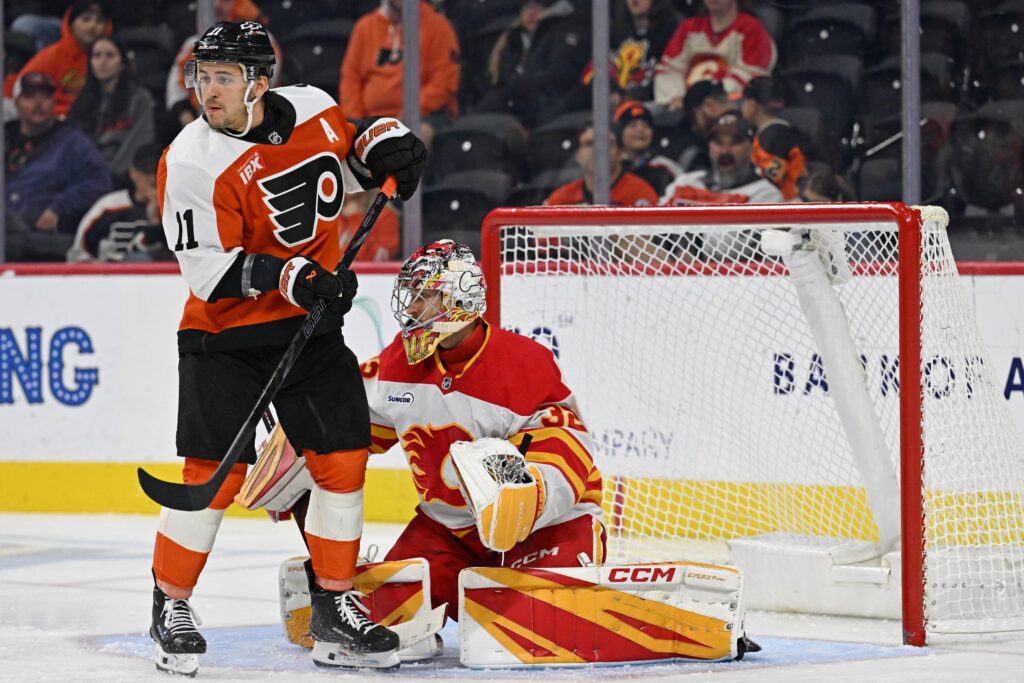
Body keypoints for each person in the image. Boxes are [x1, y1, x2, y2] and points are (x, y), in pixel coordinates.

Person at [148, 20, 426, 675]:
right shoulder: (190, 161)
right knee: (214, 478)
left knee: (343, 460)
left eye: (224, 78)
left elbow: (346, 154)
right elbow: (207, 272)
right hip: (224, 337)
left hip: (310, 330)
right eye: (202, 77)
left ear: (260, 82)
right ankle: (170, 603)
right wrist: (294, 276)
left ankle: (333, 607)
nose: (208, 92)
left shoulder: (312, 108)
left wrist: (385, 147)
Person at [274, 240, 605, 626]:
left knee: (536, 625)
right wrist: (303, 440)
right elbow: (348, 430)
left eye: (424, 295)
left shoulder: (522, 363)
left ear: (459, 297)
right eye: (411, 295)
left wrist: (529, 500)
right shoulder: (398, 363)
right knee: (372, 624)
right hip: (447, 534)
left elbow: (567, 442)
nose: (411, 308)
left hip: (545, 529)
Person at [5, 71, 112, 260]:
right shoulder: (5, 138)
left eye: (45, 97)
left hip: (43, 240)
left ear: (54, 101)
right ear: (16, 103)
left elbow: (99, 182)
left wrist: (59, 208)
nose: (38, 104)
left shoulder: (73, 142)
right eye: (30, 97)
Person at [662, 110, 783, 259]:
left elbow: (732, 250)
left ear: (751, 148)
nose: (725, 151)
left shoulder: (766, 194)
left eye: (735, 143)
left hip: (726, 272)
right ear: (709, 147)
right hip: (668, 268)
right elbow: (651, 232)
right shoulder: (685, 182)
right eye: (718, 143)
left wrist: (688, 240)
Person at [340, 0, 460, 147]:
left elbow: (442, 83)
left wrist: (406, 115)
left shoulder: (438, 26)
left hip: (423, 116)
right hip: (370, 120)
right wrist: (357, 124)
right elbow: (350, 79)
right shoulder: (365, 27)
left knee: (419, 136)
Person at [164, 0, 283, 131]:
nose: (217, 5)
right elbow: (180, 87)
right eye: (212, 0)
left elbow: (262, 85)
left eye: (225, 0)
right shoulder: (194, 45)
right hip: (203, 125)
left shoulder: (259, 40)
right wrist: (185, 115)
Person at [654, 0, 775, 110]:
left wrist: (714, 98)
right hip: (686, 104)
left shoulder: (752, 29)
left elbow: (752, 75)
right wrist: (677, 96)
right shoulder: (689, 27)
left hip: (733, 105)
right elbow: (668, 68)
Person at [68, 36, 155, 186]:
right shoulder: (81, 102)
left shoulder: (140, 98)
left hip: (123, 179)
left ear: (122, 63)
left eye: (110, 55)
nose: (102, 61)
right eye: (97, 56)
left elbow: (139, 142)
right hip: (85, 179)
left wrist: (108, 177)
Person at [67, 143, 168, 262]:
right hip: (109, 271)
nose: (153, 178)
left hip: (158, 272)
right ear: (133, 173)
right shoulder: (110, 206)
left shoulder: (175, 208)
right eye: (147, 172)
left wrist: (155, 221)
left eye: (158, 172)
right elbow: (76, 254)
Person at [8, 1, 111, 117]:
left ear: (107, 27)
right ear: (70, 24)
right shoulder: (51, 56)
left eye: (99, 21)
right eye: (85, 19)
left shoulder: (112, 58)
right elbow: (21, 89)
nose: (92, 26)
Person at [545, 122, 659, 206]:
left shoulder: (640, 193)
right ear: (577, 155)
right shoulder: (561, 200)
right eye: (589, 143)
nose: (598, 150)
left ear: (621, 153)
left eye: (607, 143)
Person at [741, 76, 806, 200]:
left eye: (743, 101)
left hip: (787, 201)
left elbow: (772, 180)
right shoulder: (780, 131)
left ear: (752, 105)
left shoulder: (773, 136)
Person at [614, 99, 681, 195]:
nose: (640, 130)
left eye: (645, 126)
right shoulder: (611, 167)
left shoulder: (664, 167)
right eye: (633, 125)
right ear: (620, 133)